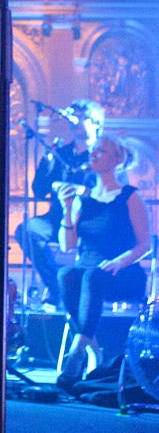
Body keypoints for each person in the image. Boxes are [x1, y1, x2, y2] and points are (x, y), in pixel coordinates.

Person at [55, 133, 151, 389]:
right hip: (91, 272)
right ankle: (91, 349)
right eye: (93, 150)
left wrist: (120, 261)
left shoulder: (129, 196)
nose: (93, 155)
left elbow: (145, 244)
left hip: (123, 273)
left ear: (118, 159)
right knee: (66, 274)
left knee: (92, 276)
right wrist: (66, 209)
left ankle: (77, 349)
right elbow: (67, 246)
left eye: (101, 151)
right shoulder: (83, 199)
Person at [15, 99, 104, 310]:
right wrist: (47, 161)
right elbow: (39, 190)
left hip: (89, 221)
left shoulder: (104, 154)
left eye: (81, 116)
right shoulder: (61, 153)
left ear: (95, 123)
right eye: (74, 116)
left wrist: (80, 191)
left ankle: (83, 294)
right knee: (27, 230)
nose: (75, 121)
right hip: (59, 219)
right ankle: (58, 287)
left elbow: (110, 193)